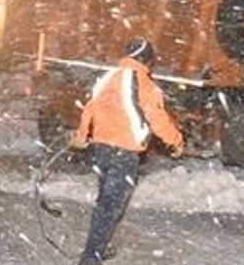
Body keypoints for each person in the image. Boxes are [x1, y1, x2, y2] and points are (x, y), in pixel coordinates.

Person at [71, 38, 183, 265]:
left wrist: (81, 137)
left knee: (106, 201)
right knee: (110, 205)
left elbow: (90, 108)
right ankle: (91, 256)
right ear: (146, 60)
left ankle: (98, 247)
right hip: (125, 153)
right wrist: (176, 141)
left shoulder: (108, 77)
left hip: (101, 149)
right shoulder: (145, 84)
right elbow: (158, 119)